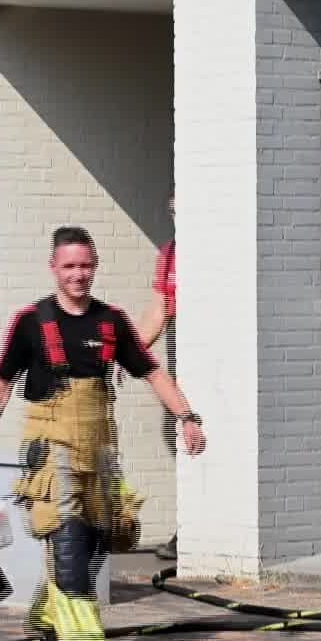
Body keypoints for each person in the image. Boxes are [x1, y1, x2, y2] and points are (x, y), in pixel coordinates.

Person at [0, 225, 206, 641]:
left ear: (96, 267)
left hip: (100, 456)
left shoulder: (112, 322)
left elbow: (153, 374)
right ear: (53, 268)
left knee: (93, 548)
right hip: (52, 456)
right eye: (69, 266)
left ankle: (48, 616)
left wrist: (187, 419)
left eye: (85, 265)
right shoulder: (32, 322)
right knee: (68, 543)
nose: (78, 274)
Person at [134, 189, 179, 561]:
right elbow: (159, 310)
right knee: (182, 434)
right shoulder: (169, 253)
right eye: (172, 204)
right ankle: (192, 526)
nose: (175, 210)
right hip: (182, 347)